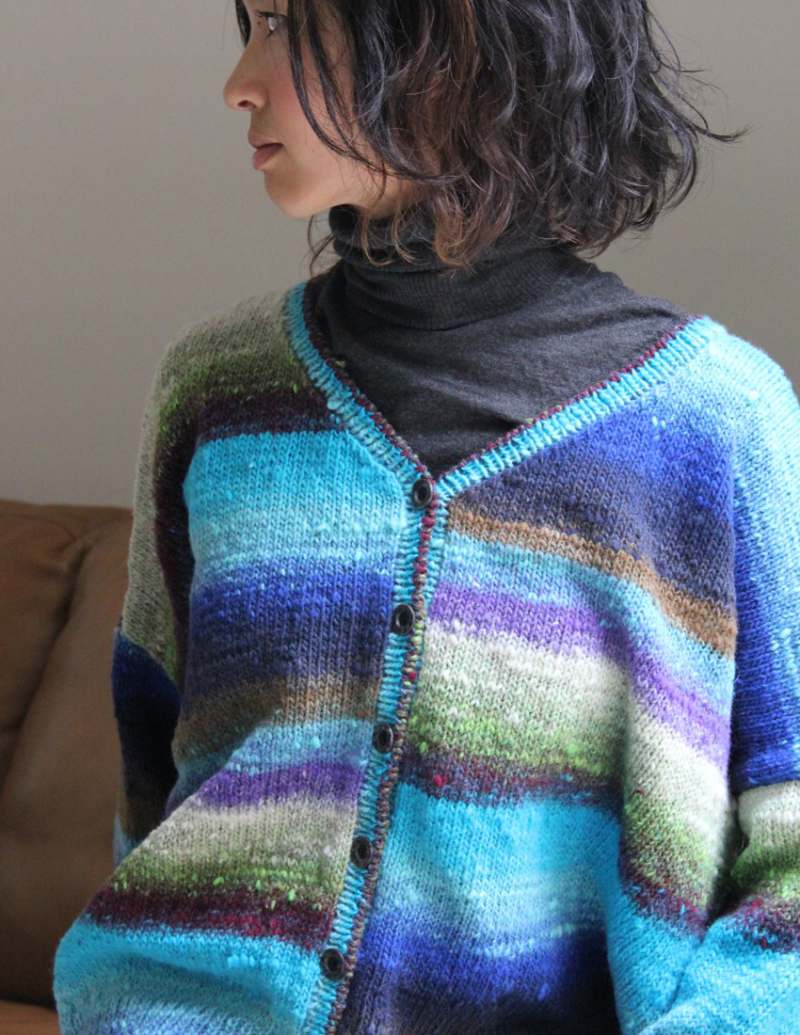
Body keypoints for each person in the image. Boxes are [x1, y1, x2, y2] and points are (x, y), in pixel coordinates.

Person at [53, 2, 800, 1033]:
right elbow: (154, 776)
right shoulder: (216, 392)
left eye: (285, 24)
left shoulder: (718, 425)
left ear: (448, 45)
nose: (238, 83)